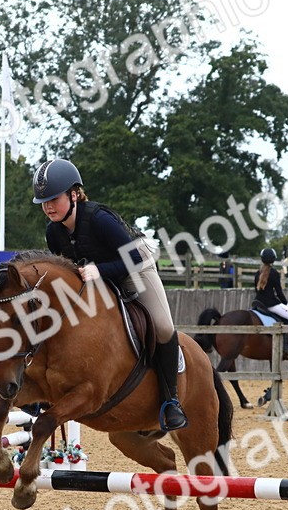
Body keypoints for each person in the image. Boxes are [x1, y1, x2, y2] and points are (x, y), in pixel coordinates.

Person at [33, 157, 187, 431]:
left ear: (74, 194)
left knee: (163, 326)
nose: (48, 206)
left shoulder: (100, 219)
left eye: (53, 199)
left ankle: (171, 400)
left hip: (135, 267)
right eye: (43, 201)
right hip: (95, 275)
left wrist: (100, 271)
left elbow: (134, 259)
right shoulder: (53, 232)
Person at [252, 248, 288, 323]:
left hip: (258, 302)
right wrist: (286, 304)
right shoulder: (274, 273)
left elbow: (257, 290)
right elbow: (279, 292)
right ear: (273, 259)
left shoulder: (258, 273)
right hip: (271, 305)